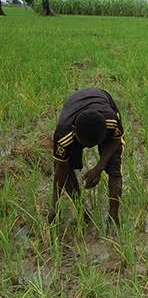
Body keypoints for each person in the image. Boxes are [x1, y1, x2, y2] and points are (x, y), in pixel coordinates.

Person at [50, 88, 125, 226]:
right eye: (86, 145)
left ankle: (113, 218)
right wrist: (54, 206)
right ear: (75, 135)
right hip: (74, 105)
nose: (90, 148)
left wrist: (99, 168)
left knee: (115, 169)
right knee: (68, 168)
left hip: (101, 97)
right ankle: (81, 211)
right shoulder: (63, 135)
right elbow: (61, 170)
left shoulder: (111, 120)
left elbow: (115, 139)